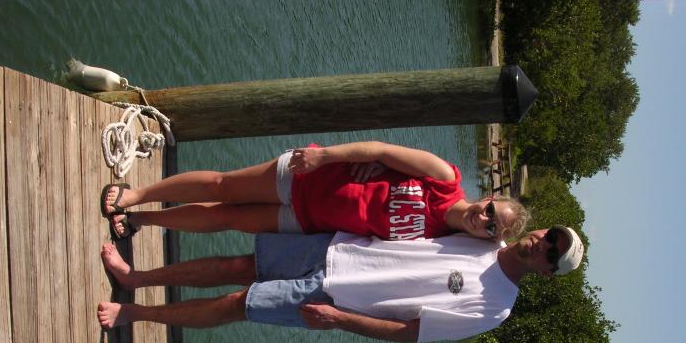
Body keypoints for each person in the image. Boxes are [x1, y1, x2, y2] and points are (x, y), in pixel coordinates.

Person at [96, 225, 584, 343]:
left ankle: (134, 314)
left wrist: (340, 319)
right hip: (340, 246)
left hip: (334, 296)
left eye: (552, 254)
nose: (543, 244)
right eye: (550, 237)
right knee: (238, 265)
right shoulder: (485, 232)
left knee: (237, 303)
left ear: (546, 272)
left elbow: (412, 332)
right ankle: (136, 278)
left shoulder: (496, 307)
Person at [100, 141, 530, 242]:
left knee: (224, 217)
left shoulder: (442, 243)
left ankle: (140, 220)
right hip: (310, 178)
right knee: (223, 186)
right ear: (489, 199)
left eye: (493, 228)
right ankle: (136, 195)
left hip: (307, 221)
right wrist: (323, 156)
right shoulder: (444, 179)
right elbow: (382, 150)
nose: (485, 220)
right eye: (492, 212)